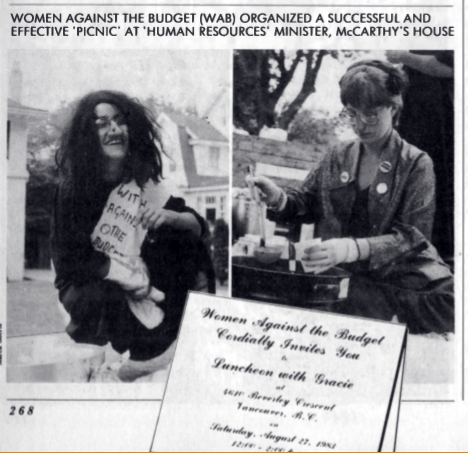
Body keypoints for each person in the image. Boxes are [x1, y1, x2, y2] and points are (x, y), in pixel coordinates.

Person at [249, 60, 454, 335]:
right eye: (352, 114)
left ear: (394, 107)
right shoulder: (338, 155)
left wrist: (349, 249)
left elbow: (413, 237)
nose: (360, 124)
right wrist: (277, 198)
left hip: (395, 279)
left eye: (371, 114)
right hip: (345, 277)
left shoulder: (416, 163)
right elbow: (304, 202)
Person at [51, 90, 214, 380]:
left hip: (142, 278)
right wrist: (132, 276)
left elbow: (199, 225)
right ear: (87, 134)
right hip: (89, 288)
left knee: (187, 240)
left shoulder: (142, 181)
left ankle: (191, 331)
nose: (114, 129)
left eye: (119, 121)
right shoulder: (73, 189)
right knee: (105, 292)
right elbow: (71, 262)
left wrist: (171, 216)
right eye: (102, 123)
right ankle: (112, 363)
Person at [385, 50, 454, 262]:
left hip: (436, 120)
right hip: (413, 117)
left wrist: (402, 55)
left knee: (436, 183)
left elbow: (447, 67)